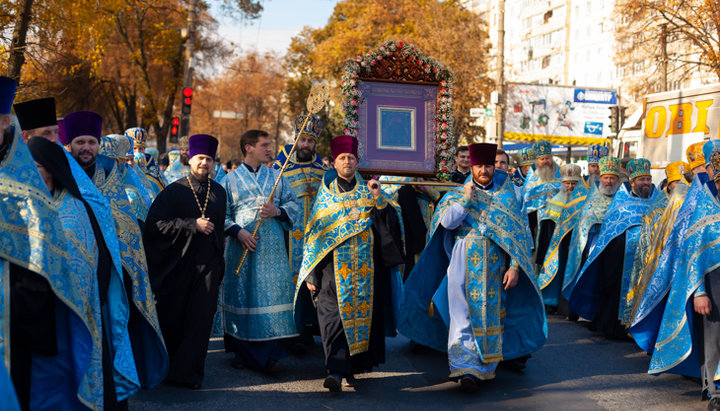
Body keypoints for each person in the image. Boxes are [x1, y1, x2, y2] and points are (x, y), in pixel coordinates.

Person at [398, 142, 546, 392]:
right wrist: (466, 200)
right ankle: (464, 367)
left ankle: (484, 367)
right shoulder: (457, 193)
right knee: (461, 314)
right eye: (479, 166)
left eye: (488, 166)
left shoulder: (507, 197)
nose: (484, 170)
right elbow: (446, 222)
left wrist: (515, 267)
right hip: (461, 261)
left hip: (496, 266)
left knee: (490, 314)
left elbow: (519, 237)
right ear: (472, 168)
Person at [61, 110, 169, 391]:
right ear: (69, 144)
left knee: (110, 335)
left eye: (91, 142)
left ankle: (111, 390)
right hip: (71, 273)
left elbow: (125, 224)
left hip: (108, 273)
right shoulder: (58, 173)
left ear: (98, 144)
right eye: (80, 142)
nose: (86, 147)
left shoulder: (110, 175)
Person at [27, 136, 135, 410]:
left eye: (34, 166)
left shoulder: (74, 211)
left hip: (68, 314)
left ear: (50, 169)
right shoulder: (29, 204)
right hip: (32, 315)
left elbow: (83, 270)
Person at [296, 135, 405, 391]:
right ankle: (334, 370)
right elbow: (314, 234)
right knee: (332, 319)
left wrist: (379, 200)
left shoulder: (370, 190)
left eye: (351, 158)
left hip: (367, 270)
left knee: (362, 319)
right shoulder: (326, 196)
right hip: (332, 270)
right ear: (334, 163)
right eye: (343, 158)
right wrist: (311, 274)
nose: (347, 162)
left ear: (357, 162)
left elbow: (390, 225)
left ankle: (351, 367)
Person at [144, 134, 226, 389]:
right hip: (178, 265)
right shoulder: (174, 190)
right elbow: (155, 225)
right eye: (200, 158)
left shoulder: (220, 192)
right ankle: (170, 368)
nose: (204, 163)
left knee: (201, 319)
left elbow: (220, 230)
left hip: (208, 266)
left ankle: (190, 374)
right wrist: (192, 225)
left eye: (209, 159)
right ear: (190, 159)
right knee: (175, 317)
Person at [645, 148, 720, 411]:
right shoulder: (702, 205)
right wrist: (698, 291)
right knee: (713, 337)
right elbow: (691, 252)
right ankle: (714, 389)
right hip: (712, 282)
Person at [221, 129, 300, 372]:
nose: (269, 149)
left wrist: (277, 212)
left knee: (272, 296)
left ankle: (272, 353)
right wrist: (238, 232)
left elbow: (294, 204)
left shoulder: (278, 176)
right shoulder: (229, 180)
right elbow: (221, 214)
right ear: (248, 148)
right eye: (264, 145)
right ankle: (246, 353)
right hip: (242, 247)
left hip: (273, 248)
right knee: (246, 295)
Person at [568, 158, 658, 340]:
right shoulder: (621, 201)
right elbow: (610, 231)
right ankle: (616, 327)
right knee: (616, 292)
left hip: (650, 259)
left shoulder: (658, 201)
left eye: (648, 179)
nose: (646, 183)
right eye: (641, 180)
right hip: (622, 259)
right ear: (632, 182)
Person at [273, 115, 328, 352]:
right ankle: (286, 331)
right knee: (286, 282)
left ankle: (306, 329)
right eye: (302, 140)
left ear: (315, 144)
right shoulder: (281, 167)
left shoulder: (323, 170)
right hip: (286, 234)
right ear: (296, 139)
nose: (305, 145)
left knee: (311, 282)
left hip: (313, 236)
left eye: (310, 141)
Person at [624, 161, 689, 340]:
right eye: (676, 182)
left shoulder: (690, 201)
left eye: (683, 181)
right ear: (669, 183)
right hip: (659, 261)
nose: (680, 186)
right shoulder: (658, 205)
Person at [562, 156, 621, 319]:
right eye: (606, 177)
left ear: (617, 179)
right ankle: (584, 312)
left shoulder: (622, 199)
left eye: (612, 178)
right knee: (590, 279)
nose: (608, 181)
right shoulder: (592, 196)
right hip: (593, 246)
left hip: (614, 247)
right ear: (601, 178)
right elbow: (584, 221)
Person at [537, 164, 583, 313]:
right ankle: (551, 302)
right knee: (555, 275)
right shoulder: (555, 201)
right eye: (567, 183)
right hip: (557, 246)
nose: (570, 186)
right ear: (562, 183)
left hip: (576, 245)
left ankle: (570, 306)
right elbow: (546, 228)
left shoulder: (584, 202)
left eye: (573, 183)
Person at [522, 140, 561, 246]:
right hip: (538, 222)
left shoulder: (561, 174)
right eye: (541, 159)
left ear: (552, 158)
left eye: (547, 158)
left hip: (559, 219)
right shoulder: (531, 178)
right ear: (537, 161)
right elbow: (526, 203)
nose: (545, 161)